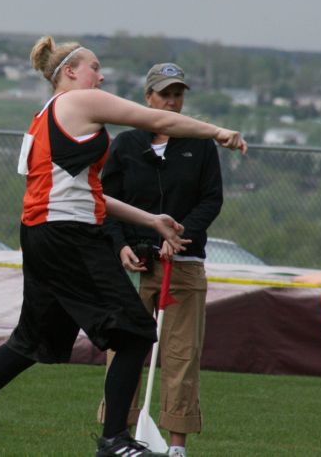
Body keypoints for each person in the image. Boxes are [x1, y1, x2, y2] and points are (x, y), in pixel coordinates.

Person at [0, 36, 247, 457]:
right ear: (70, 72)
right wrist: (219, 132)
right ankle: (114, 441)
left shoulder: (46, 114)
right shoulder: (80, 102)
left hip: (45, 233)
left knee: (30, 340)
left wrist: (150, 219)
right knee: (136, 331)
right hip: (69, 236)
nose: (101, 76)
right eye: (94, 68)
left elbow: (87, 191)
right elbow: (159, 120)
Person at [98, 63, 222, 457]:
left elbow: (211, 199)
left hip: (183, 266)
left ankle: (176, 445)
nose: (172, 101)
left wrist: (179, 235)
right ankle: (118, 436)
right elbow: (104, 202)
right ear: (147, 98)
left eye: (178, 94)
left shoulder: (200, 144)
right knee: (122, 351)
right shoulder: (124, 145)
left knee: (182, 355)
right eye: (165, 94)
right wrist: (120, 246)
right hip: (134, 267)